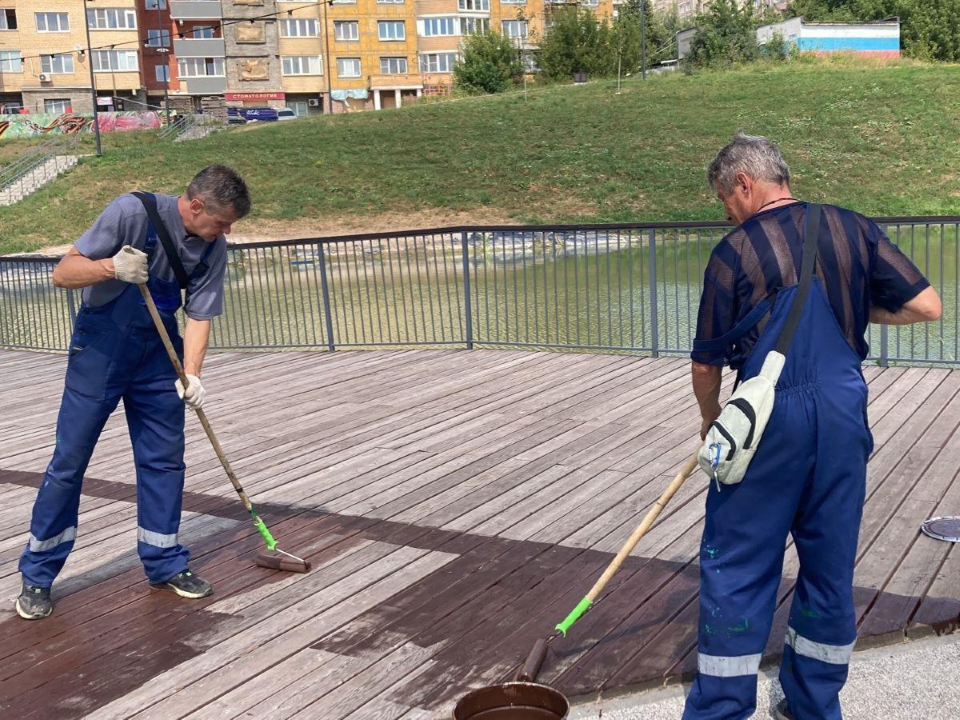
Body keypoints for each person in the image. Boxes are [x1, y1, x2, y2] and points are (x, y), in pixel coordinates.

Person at [683, 133, 941, 720]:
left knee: (738, 563)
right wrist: (854, 303)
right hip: (843, 414)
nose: (724, 210)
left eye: (725, 197)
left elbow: (705, 362)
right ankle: (813, 704)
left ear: (744, 184)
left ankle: (721, 708)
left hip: (769, 422)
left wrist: (709, 419)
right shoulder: (852, 227)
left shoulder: (734, 252)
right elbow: (928, 305)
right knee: (829, 564)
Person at [16, 165, 251, 620]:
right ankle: (38, 575)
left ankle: (164, 561)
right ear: (196, 205)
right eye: (221, 222)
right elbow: (63, 273)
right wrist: (111, 267)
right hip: (101, 350)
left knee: (165, 460)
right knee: (69, 461)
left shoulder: (212, 247)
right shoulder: (132, 211)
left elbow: (199, 316)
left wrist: (192, 374)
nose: (226, 231)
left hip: (158, 358)